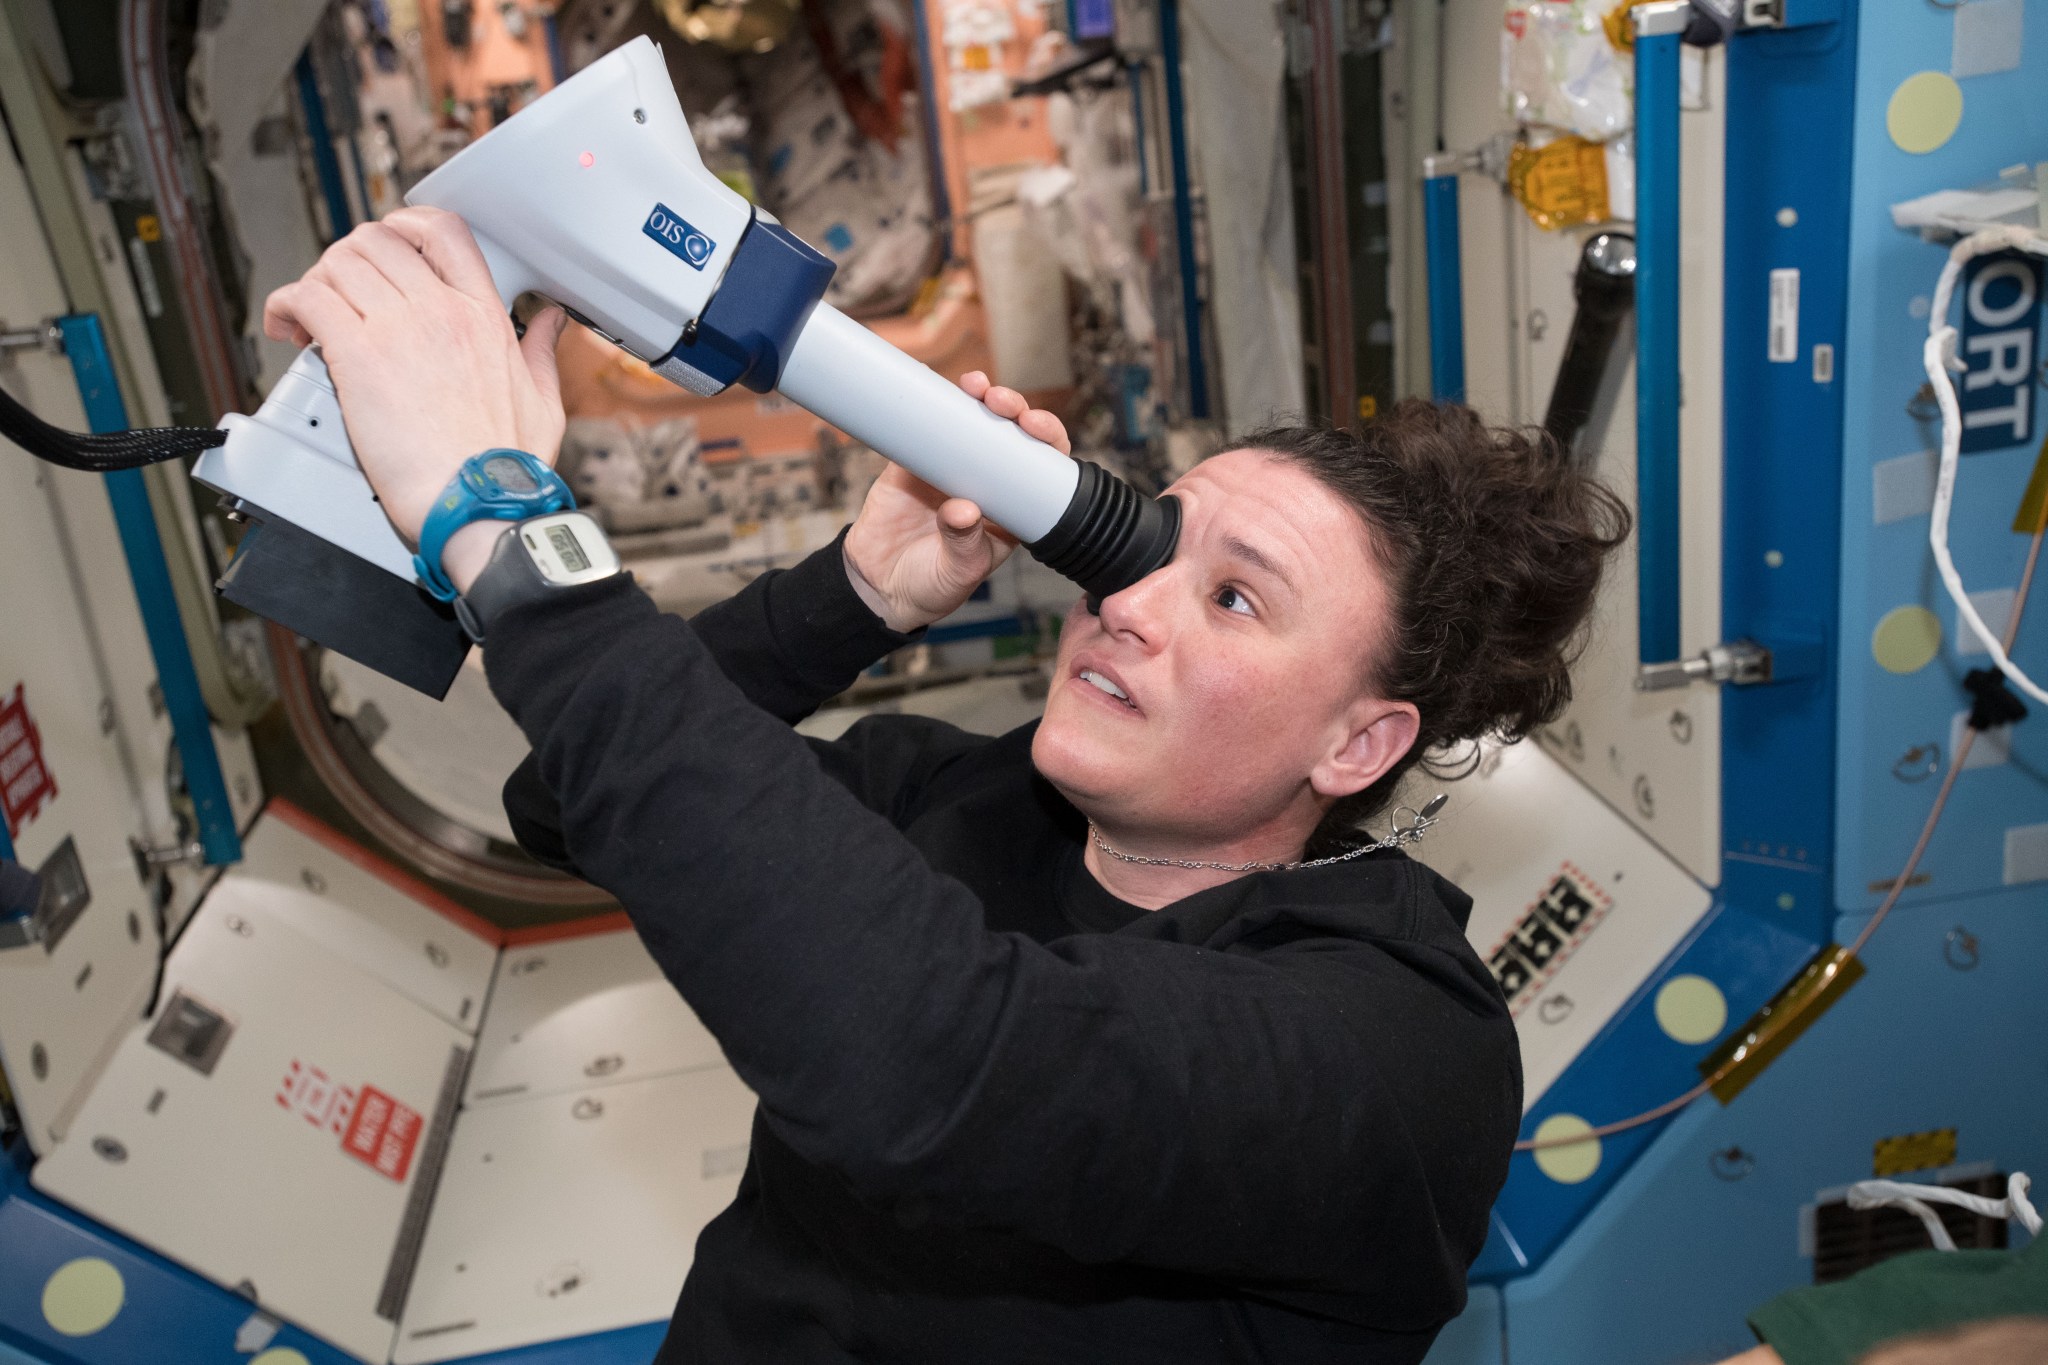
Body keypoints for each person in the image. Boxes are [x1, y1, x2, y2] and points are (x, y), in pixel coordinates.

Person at [265, 207, 1629, 1364]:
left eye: (1233, 597)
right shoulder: (962, 796)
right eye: (1150, 542)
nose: (1129, 602)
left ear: (1357, 747)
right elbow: (565, 803)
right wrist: (856, 594)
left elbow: (930, 1060)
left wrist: (499, 523)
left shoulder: (1392, 1045)